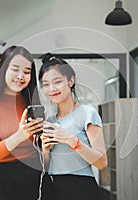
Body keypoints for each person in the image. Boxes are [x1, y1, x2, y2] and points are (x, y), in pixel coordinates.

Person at [0, 45, 52, 200]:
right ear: (3, 69)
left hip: (37, 182)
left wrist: (46, 148)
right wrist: (19, 135)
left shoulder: (32, 105)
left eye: (27, 71)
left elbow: (42, 156)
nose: (20, 76)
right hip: (4, 184)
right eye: (15, 69)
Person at [39, 53, 108, 200]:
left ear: (71, 81)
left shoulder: (87, 113)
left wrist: (72, 140)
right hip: (52, 189)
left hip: (81, 190)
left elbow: (102, 163)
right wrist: (45, 151)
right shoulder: (49, 121)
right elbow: (45, 168)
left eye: (57, 81)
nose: (51, 89)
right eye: (45, 84)